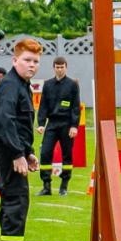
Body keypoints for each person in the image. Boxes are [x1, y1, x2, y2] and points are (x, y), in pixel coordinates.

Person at [0, 38, 41, 241]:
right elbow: (6, 120)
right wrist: (17, 154)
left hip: (12, 146)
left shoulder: (23, 85)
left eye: (36, 61)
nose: (32, 65)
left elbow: (22, 123)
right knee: (16, 196)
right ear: (14, 60)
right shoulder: (9, 85)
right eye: (27, 60)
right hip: (4, 146)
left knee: (16, 196)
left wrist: (28, 152)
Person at [37, 56, 84, 196]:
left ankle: (64, 186)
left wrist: (74, 126)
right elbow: (43, 105)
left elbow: (76, 107)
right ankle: (46, 186)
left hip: (67, 124)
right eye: (57, 67)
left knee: (67, 155)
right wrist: (40, 123)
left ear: (66, 67)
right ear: (53, 68)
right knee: (45, 152)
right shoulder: (48, 84)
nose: (59, 70)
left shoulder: (72, 84)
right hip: (52, 124)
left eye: (62, 67)